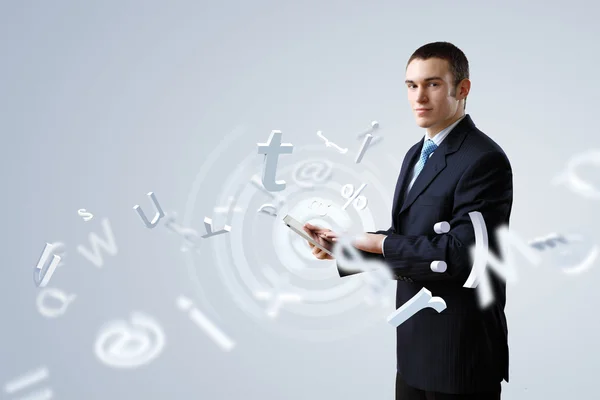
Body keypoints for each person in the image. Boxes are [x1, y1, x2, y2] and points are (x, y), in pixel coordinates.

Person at [302, 41, 512, 399]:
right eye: (412, 86)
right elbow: (411, 238)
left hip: (461, 350)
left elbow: (463, 256)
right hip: (415, 344)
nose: (420, 96)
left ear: (462, 89)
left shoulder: (483, 159)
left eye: (432, 84)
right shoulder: (417, 153)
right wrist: (348, 246)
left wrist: (379, 242)